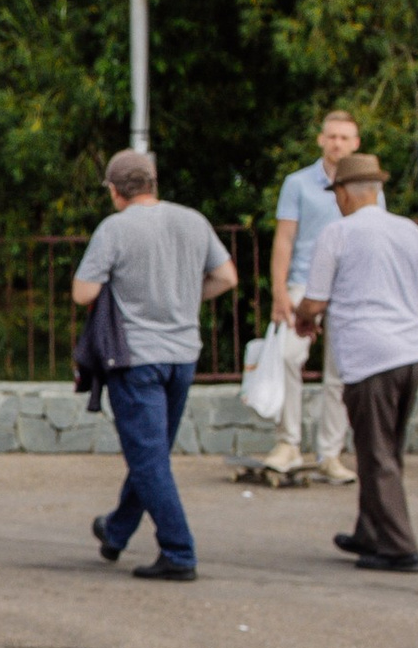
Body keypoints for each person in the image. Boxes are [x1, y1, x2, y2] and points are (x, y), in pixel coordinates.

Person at [292, 148, 418, 570]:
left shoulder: (337, 235)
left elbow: (315, 300)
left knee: (376, 453)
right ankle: (370, 531)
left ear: (344, 193)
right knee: (386, 447)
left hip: (368, 356)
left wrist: (304, 319)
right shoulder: (410, 231)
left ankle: (399, 547)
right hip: (411, 353)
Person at [70, 148, 239, 582]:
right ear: (153, 183)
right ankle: (117, 529)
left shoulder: (115, 229)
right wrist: (185, 298)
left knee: (149, 460)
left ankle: (179, 552)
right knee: (153, 454)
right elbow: (227, 277)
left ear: (114, 190)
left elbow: (83, 293)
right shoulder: (192, 220)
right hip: (183, 356)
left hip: (135, 359)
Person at [262, 111, 362, 482]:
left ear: (356, 143)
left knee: (340, 371)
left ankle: (330, 453)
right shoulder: (299, 183)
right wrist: (279, 292)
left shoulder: (365, 186)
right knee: (289, 355)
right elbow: (284, 239)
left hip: (348, 286)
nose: (337, 143)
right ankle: (288, 442)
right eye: (332, 136)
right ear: (321, 140)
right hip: (304, 283)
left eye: (345, 137)